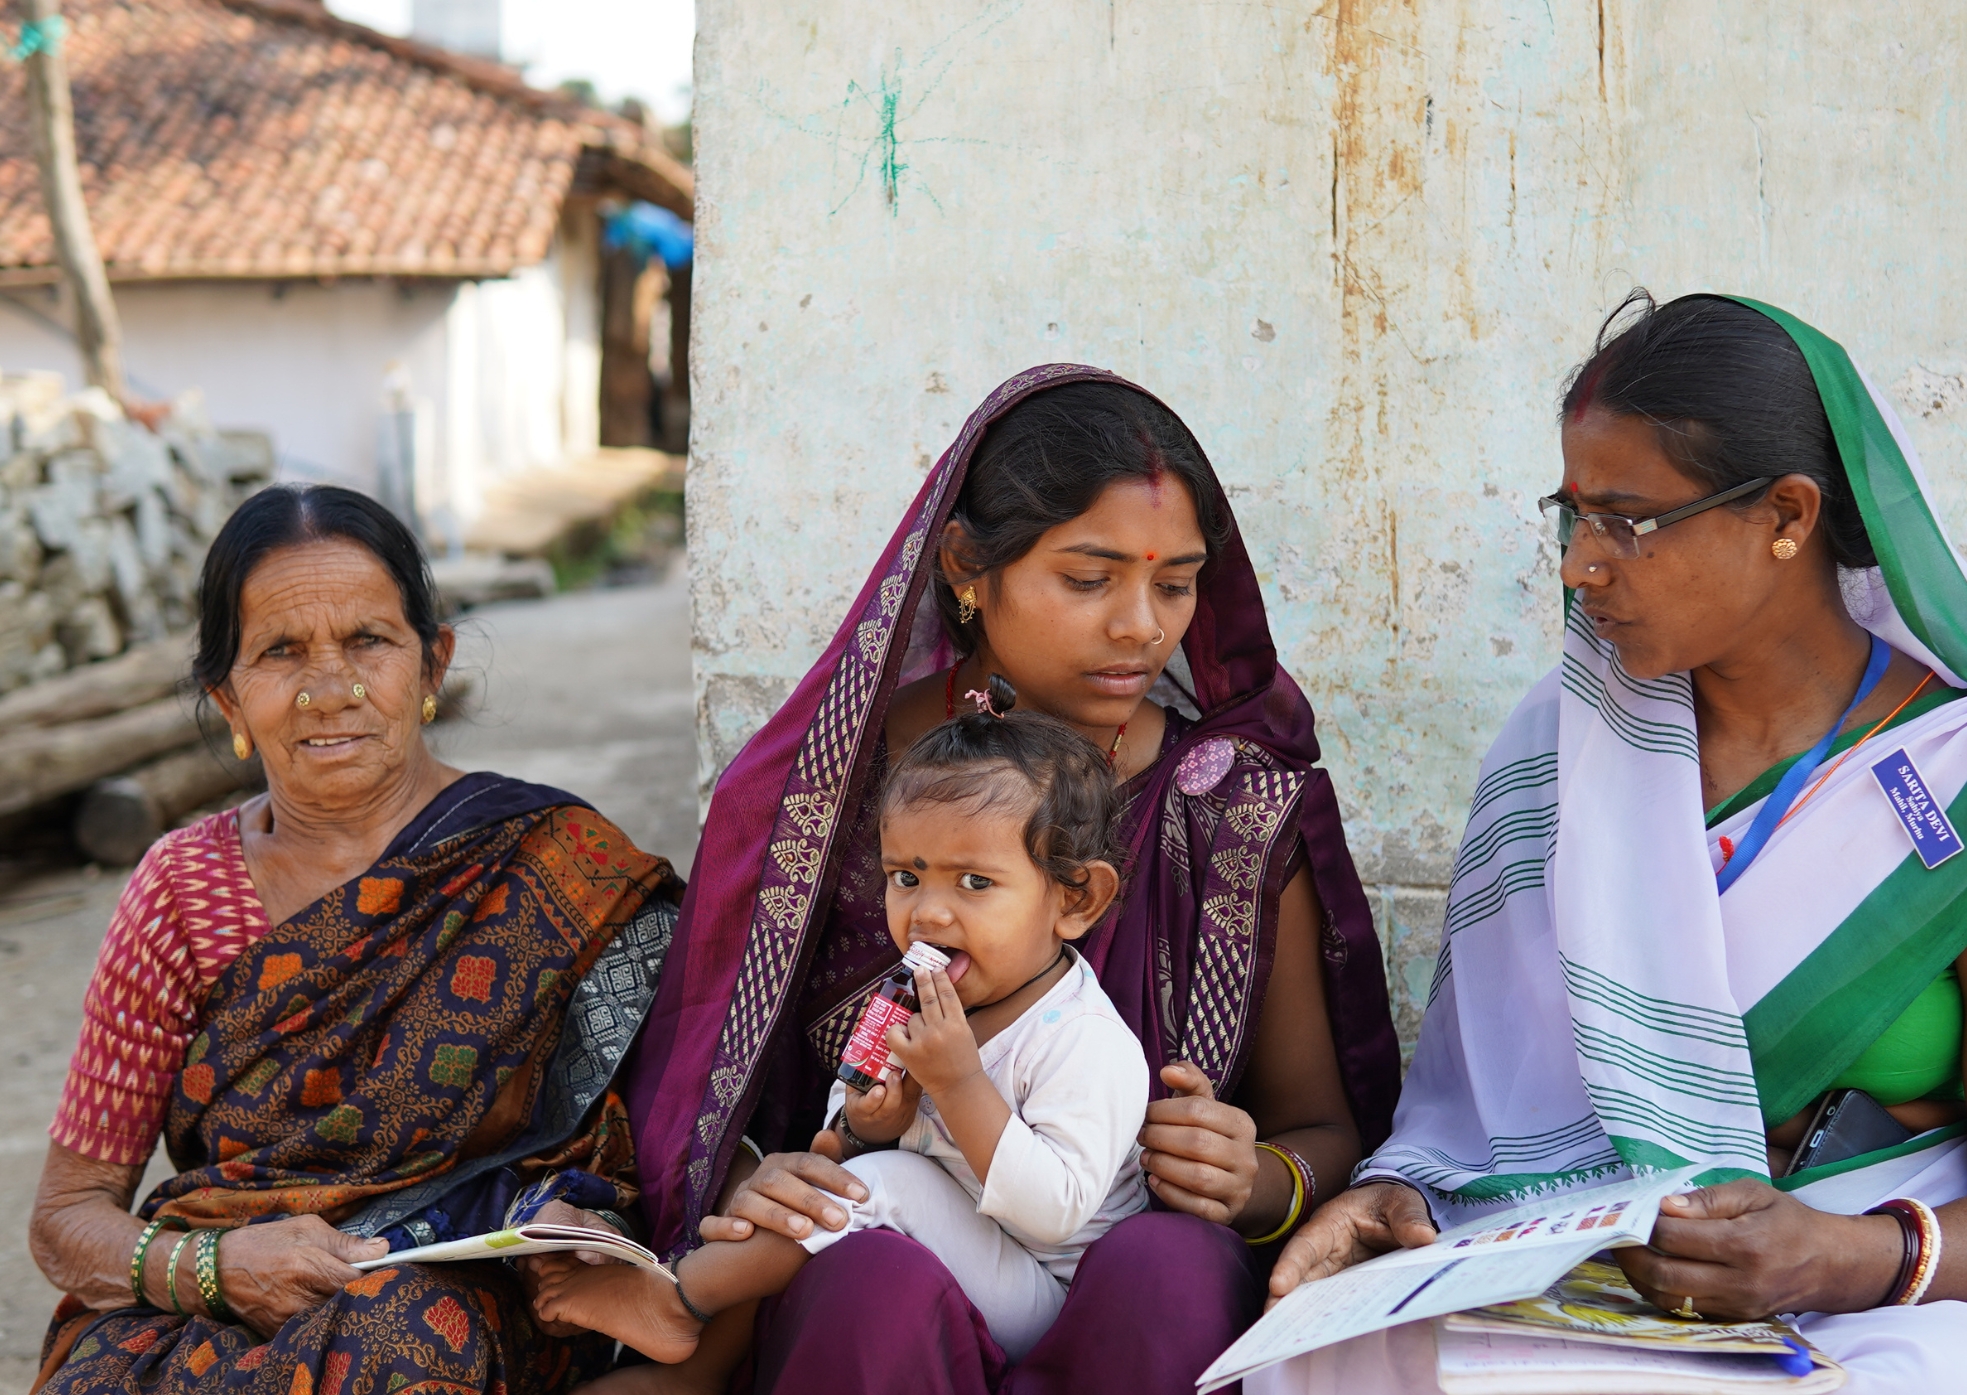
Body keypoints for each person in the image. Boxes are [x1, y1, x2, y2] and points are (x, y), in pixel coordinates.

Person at [616, 365, 1402, 1394]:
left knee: (1165, 1268)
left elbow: (1327, 1130)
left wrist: (1254, 1178)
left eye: (1174, 584)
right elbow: (713, 1106)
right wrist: (783, 1172)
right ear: (963, 568)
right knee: (867, 1285)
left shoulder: (1232, 808)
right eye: (1089, 579)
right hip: (885, 1257)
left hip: (1132, 1290)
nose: (1140, 626)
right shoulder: (827, 794)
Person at [1256, 294, 1967, 1394]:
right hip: (1588, 1271)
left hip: (1881, 1289)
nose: (1577, 568)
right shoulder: (1558, 744)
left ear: (1785, 514)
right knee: (1340, 1363)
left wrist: (1844, 1257)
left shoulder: (1948, 780)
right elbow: (1479, 1100)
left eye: (1626, 522)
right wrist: (1401, 1193)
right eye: (1571, 516)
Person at [28, 485, 685, 1395]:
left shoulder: (555, 862)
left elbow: (676, 1129)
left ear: (432, 667)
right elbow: (67, 1216)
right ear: (228, 697)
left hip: (458, 1296)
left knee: (402, 1336)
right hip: (228, 1285)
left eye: (368, 642)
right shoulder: (182, 889)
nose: (330, 689)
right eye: (280, 651)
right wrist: (216, 1268)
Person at [536, 699, 1150, 1368]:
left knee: (891, 1181)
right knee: (832, 1183)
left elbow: (1056, 1210)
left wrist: (958, 1084)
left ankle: (677, 1300)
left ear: (1074, 899)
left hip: (1050, 1297)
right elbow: (839, 1144)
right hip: (936, 1274)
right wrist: (866, 1123)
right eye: (905, 877)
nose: (928, 911)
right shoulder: (907, 1000)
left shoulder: (1084, 1038)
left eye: (976, 881)